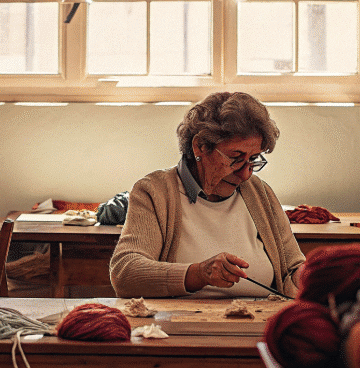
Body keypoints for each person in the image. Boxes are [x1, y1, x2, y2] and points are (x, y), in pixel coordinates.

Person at [109, 92, 305, 299]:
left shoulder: (260, 193)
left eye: (253, 159)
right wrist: (199, 273)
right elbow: (126, 272)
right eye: (235, 158)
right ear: (200, 146)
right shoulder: (155, 192)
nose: (246, 173)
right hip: (179, 327)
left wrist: (311, 276)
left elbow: (293, 268)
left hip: (259, 325)